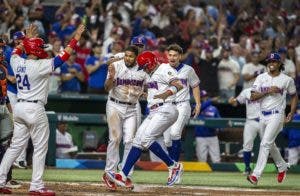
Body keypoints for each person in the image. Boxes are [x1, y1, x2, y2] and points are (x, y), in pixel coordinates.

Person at [0, 24, 85, 195]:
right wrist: (76, 38)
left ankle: (0, 180)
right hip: (34, 108)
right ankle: (36, 186)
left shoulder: (17, 62)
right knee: (40, 148)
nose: (43, 49)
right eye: (40, 47)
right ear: (36, 50)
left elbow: (17, 50)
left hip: (20, 107)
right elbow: (64, 56)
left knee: (15, 147)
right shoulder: (41, 65)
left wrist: (25, 39)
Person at [107, 51, 184, 189]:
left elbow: (178, 84)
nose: (144, 69)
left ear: (152, 63)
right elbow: (156, 87)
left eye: (145, 66)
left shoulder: (164, 68)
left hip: (167, 108)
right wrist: (147, 93)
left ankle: (174, 166)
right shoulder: (151, 73)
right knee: (137, 141)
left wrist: (167, 93)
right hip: (154, 111)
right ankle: (123, 175)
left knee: (146, 139)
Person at [247, 52, 298, 185]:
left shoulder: (287, 80)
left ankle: (255, 175)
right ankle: (282, 167)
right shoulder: (261, 78)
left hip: (277, 114)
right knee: (270, 144)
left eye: (274, 61)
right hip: (263, 114)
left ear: (279, 63)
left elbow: (294, 96)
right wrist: (268, 90)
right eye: (269, 61)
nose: (271, 63)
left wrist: (291, 112)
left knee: (265, 143)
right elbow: (252, 97)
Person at [102, 46, 148, 191]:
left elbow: (150, 86)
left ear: (136, 57)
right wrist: (110, 77)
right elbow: (106, 88)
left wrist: (146, 93)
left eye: (131, 56)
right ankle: (109, 173)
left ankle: (124, 174)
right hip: (115, 105)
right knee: (115, 138)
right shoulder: (115, 65)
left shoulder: (143, 70)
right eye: (126, 55)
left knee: (130, 141)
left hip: (132, 107)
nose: (128, 58)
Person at [163, 44, 201, 162]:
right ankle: (173, 165)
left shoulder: (188, 69)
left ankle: (174, 166)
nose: (172, 57)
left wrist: (198, 104)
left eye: (175, 55)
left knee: (175, 133)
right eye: (170, 55)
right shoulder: (162, 68)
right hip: (167, 105)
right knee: (167, 140)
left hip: (182, 104)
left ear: (180, 56)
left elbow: (195, 86)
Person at [0, 38, 21, 192]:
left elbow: (4, 91)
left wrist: (10, 110)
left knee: (9, 141)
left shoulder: (4, 67)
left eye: (2, 48)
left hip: (3, 105)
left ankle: (6, 178)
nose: (1, 51)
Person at [228, 88, 262, 175]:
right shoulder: (246, 91)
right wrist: (232, 102)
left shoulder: (266, 88)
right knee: (246, 145)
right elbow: (236, 102)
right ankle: (247, 168)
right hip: (250, 121)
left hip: (265, 121)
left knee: (270, 145)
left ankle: (280, 166)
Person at [195, 90, 221, 163]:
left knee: (216, 159)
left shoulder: (213, 108)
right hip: (200, 137)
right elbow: (201, 107)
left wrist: (219, 129)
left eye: (206, 96)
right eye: (203, 97)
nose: (205, 98)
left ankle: (217, 174)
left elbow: (220, 121)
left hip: (212, 136)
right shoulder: (196, 107)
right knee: (201, 160)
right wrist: (211, 100)